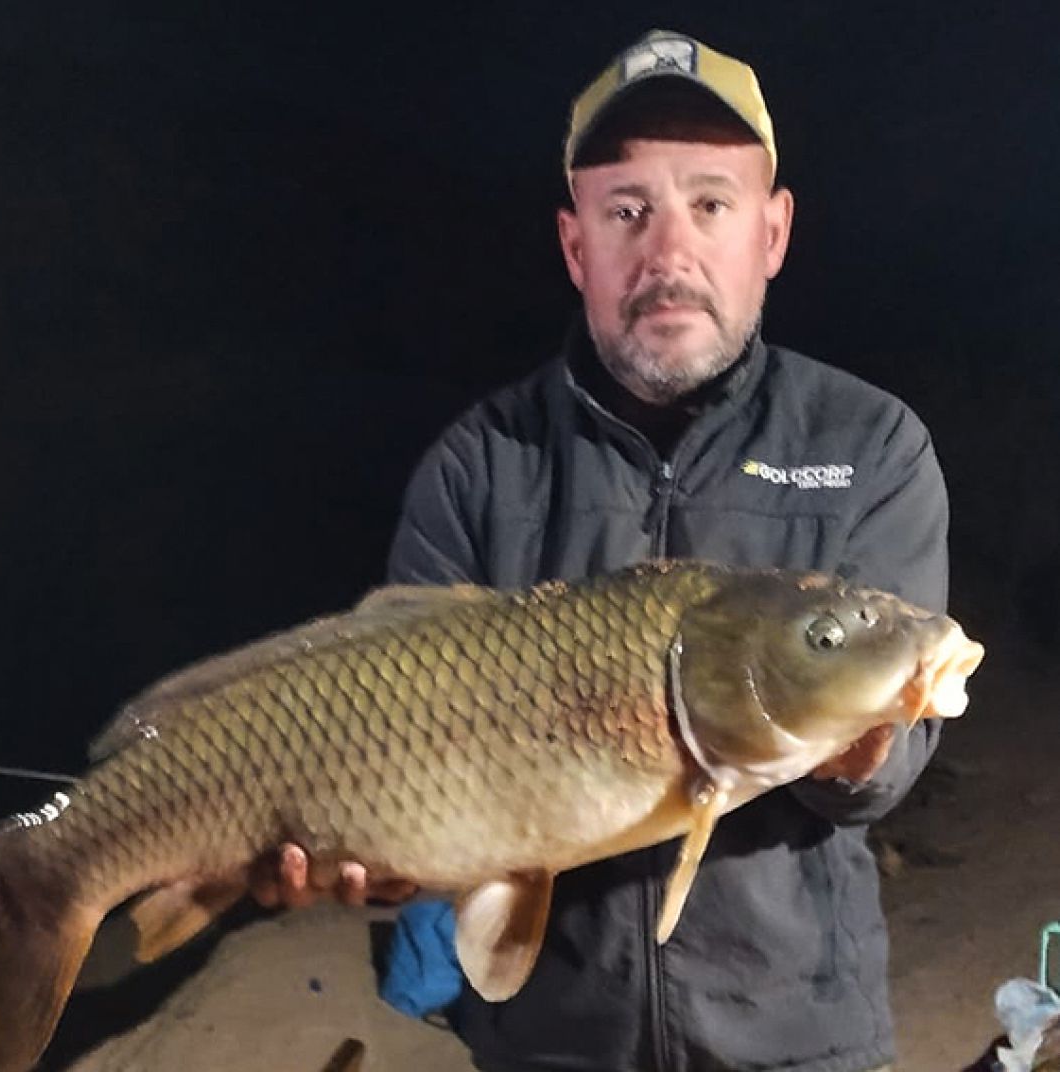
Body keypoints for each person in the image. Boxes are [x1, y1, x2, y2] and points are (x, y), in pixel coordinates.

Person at [255, 30, 946, 1072]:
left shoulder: (868, 445)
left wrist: (862, 727)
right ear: (576, 245)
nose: (667, 253)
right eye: (627, 210)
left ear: (772, 232)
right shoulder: (479, 467)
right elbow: (408, 788)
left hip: (800, 1044)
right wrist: (388, 861)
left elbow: (884, 778)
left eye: (708, 204)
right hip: (550, 1047)